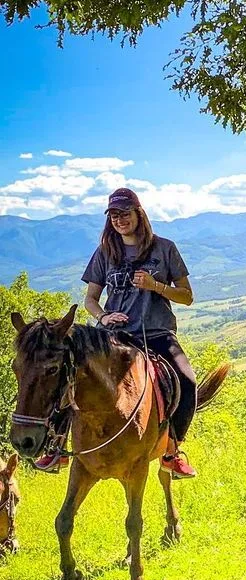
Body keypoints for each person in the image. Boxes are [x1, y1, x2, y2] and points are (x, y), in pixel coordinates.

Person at [34, 187, 200, 479]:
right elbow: (90, 299)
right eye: (113, 215)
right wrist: (104, 315)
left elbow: (187, 296)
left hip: (156, 333)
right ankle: (57, 446)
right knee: (67, 374)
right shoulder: (105, 253)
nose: (119, 220)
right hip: (112, 336)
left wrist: (155, 286)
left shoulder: (165, 249)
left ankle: (173, 452)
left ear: (139, 214)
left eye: (125, 213)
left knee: (187, 381)